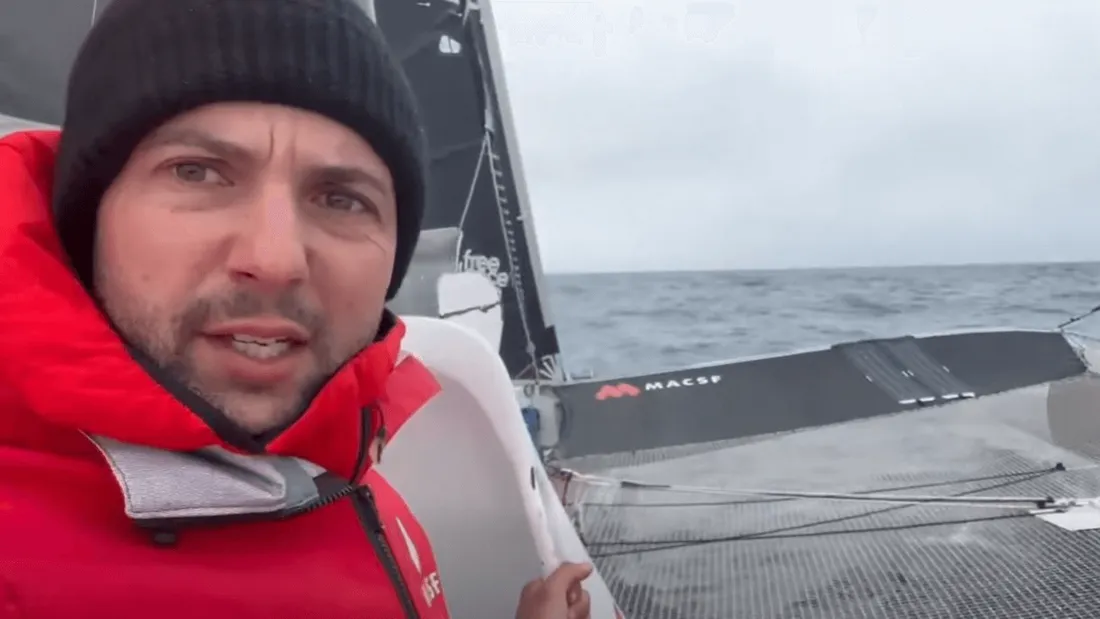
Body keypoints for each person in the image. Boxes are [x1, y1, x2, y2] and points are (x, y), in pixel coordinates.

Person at [0, 0, 591, 617]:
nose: (277, 258)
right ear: (87, 218)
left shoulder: (344, 439)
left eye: (341, 198)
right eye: (198, 173)